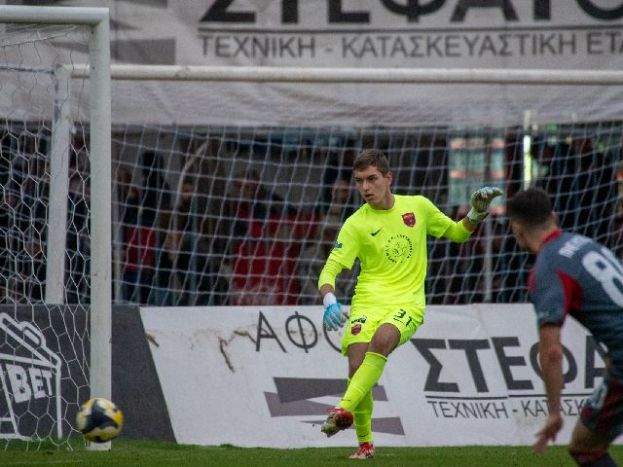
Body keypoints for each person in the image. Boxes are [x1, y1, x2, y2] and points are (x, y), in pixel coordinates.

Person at [317, 149, 501, 459]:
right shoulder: (355, 223)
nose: (365, 188)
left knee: (382, 339)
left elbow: (457, 233)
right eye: (359, 181)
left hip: (407, 301)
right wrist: (329, 299)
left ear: (388, 178)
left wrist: (476, 212)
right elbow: (329, 269)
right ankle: (365, 445)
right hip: (367, 302)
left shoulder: (418, 207)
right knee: (357, 366)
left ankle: (342, 409)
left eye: (372, 179)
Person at [507, 188, 623, 467]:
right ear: (554, 217)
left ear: (516, 228)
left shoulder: (547, 268)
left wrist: (554, 411)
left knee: (585, 448)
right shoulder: (586, 244)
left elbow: (551, 352)